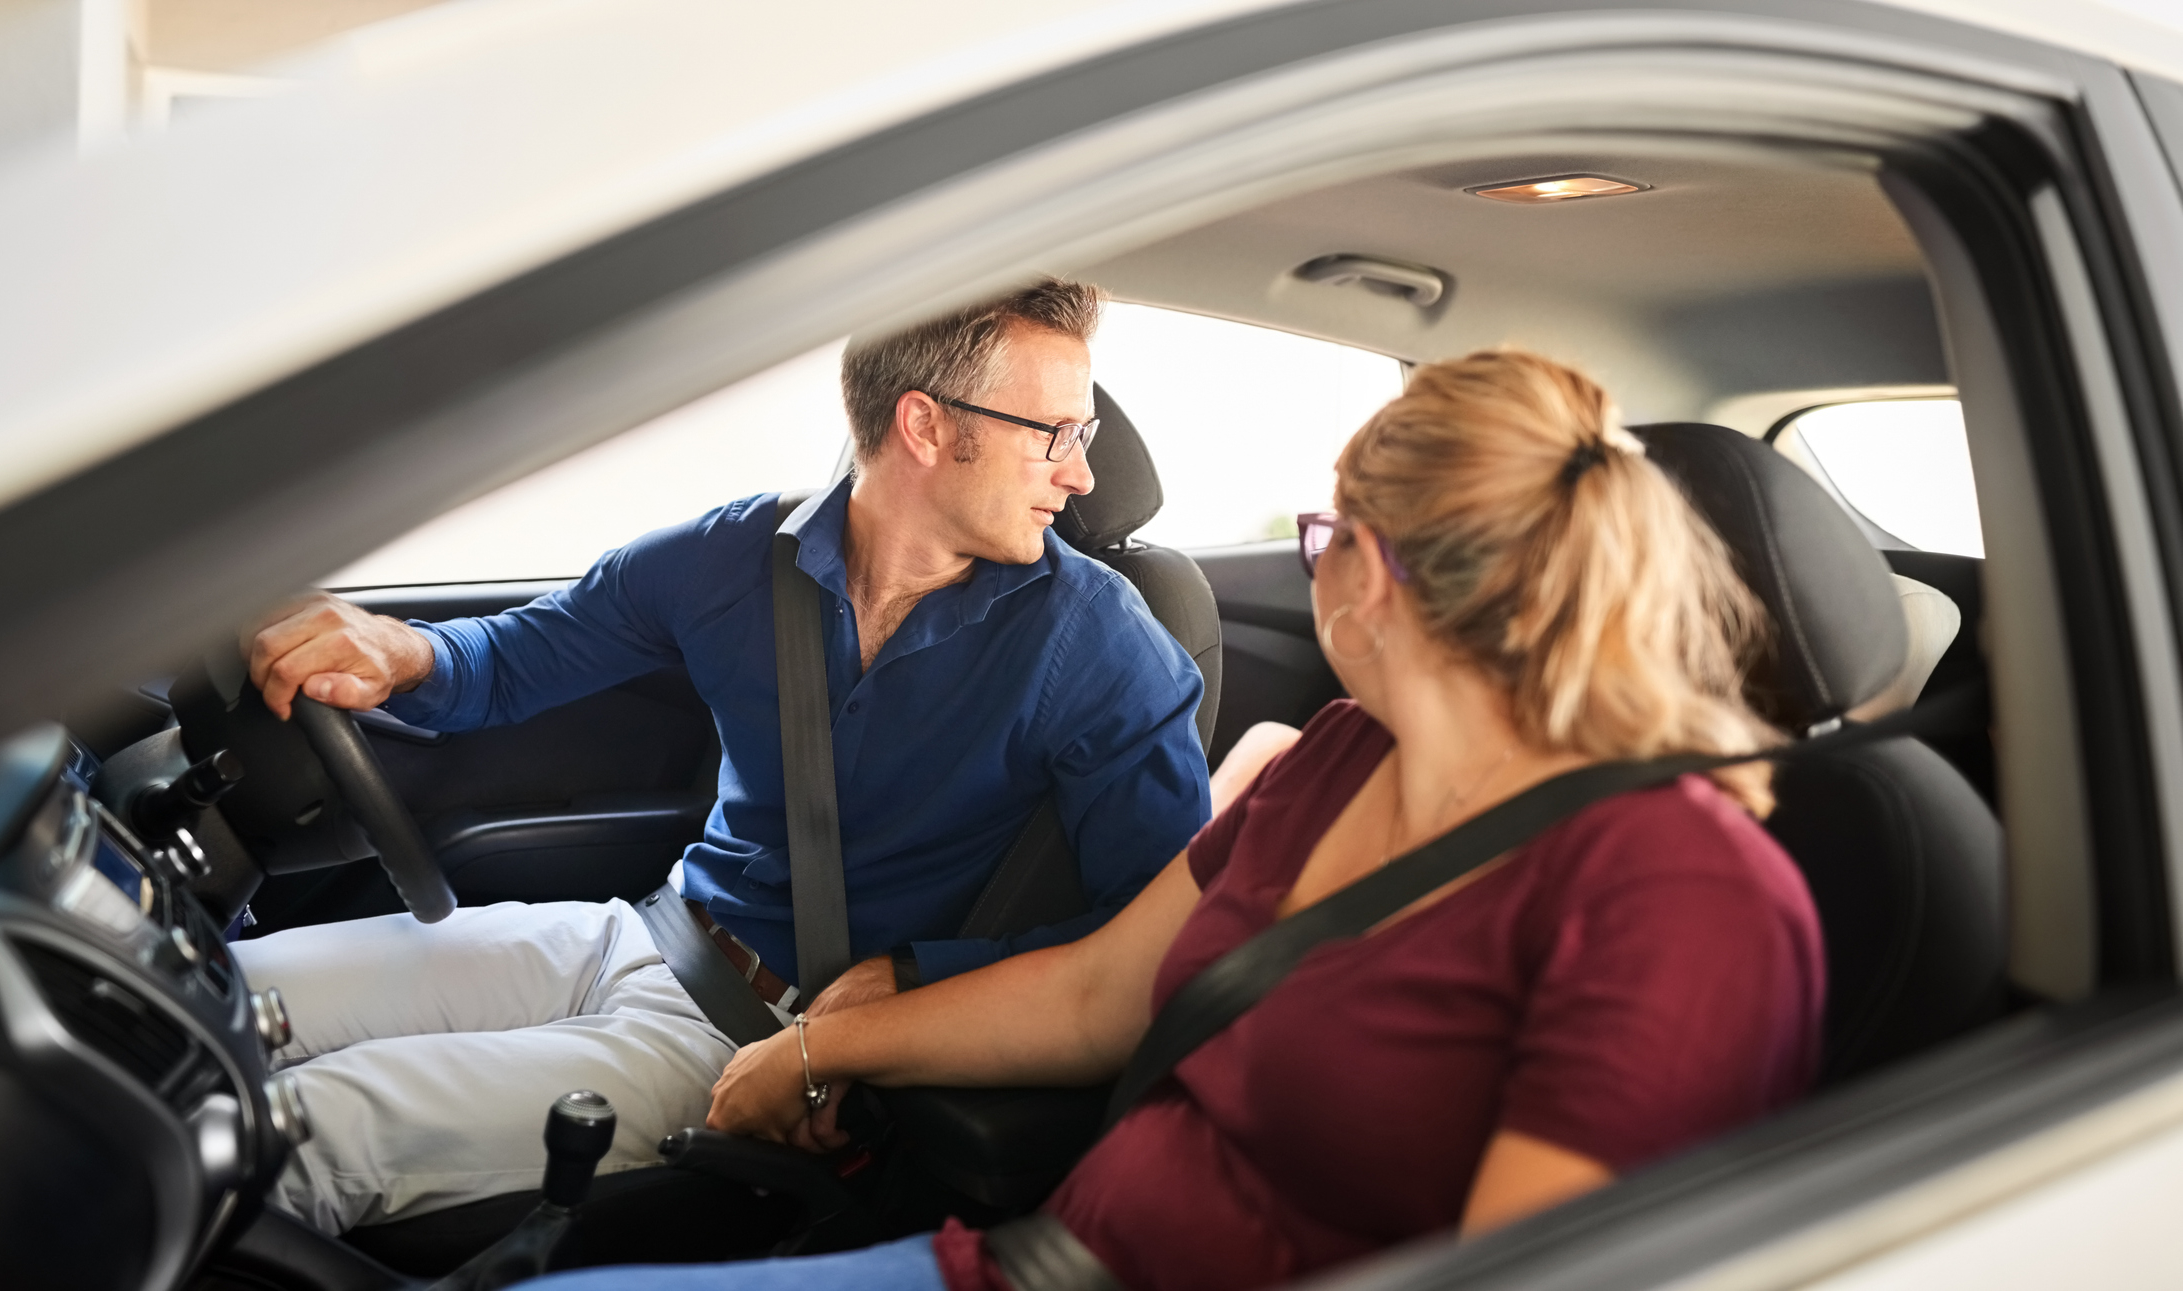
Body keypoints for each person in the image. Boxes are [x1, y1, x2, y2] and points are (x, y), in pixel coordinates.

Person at [523, 348, 1826, 1291]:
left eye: (1322, 533)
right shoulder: (1340, 749)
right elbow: (1101, 988)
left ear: (1362, 570)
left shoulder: (1680, 895)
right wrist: (821, 1047)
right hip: (1022, 1258)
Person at [232, 280, 1216, 1234]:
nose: (1079, 474)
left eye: (1079, 437)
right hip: (644, 933)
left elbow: (1157, 934)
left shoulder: (1098, 645)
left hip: (759, 1037)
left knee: (292, 1135)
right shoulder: (735, 556)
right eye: (1053, 434)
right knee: (225, 995)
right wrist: (404, 650)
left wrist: (915, 983)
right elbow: (517, 658)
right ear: (924, 426)